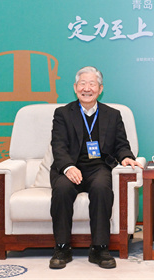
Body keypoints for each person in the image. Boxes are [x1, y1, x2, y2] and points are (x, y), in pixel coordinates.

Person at [49, 66, 143, 270]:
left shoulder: (113, 114)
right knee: (62, 189)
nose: (87, 88)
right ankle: (62, 248)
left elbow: (121, 144)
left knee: (101, 189)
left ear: (100, 89)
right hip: (71, 167)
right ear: (75, 87)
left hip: (98, 167)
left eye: (92, 84)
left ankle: (99, 248)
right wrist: (68, 167)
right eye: (82, 84)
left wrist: (127, 157)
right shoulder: (63, 113)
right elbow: (58, 145)